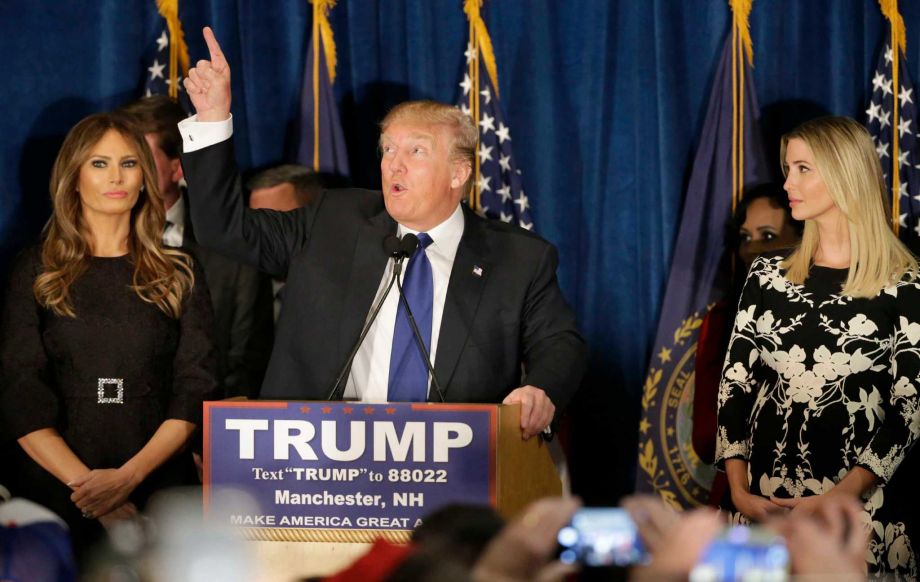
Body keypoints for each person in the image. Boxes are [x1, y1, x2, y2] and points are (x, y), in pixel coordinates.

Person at [179, 27, 586, 439]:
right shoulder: (332, 222)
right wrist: (213, 119)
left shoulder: (517, 259)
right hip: (316, 464)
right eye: (388, 149)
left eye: (417, 151)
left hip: (455, 465)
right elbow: (223, 228)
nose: (395, 164)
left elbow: (559, 344)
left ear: (458, 173)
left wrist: (540, 389)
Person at [0, 112, 218, 559]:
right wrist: (91, 492)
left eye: (129, 163)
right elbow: (20, 394)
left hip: (157, 494)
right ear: (72, 178)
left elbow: (195, 388)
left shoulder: (180, 273)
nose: (115, 176)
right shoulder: (35, 273)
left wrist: (127, 480)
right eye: (99, 164)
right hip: (55, 498)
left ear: (144, 178)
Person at [715, 116, 920, 576]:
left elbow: (911, 410)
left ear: (845, 173)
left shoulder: (906, 284)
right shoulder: (765, 276)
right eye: (788, 168)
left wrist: (837, 498)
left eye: (803, 169)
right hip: (763, 511)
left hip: (860, 520)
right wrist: (740, 491)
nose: (788, 183)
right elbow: (735, 388)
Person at [118, 96, 267, 399]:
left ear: (178, 168)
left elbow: (246, 362)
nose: (122, 174)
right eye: (118, 159)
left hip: (205, 429)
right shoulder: (84, 244)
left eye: (138, 160)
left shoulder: (231, 249)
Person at [692, 184, 801, 506]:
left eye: (768, 236)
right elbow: (705, 435)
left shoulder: (842, 315)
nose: (752, 248)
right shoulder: (722, 319)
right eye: (745, 237)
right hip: (746, 496)